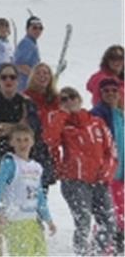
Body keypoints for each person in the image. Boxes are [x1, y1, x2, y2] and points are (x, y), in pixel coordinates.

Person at [55, 86, 119, 256]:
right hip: (74, 181)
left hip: (99, 180)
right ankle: (82, 254)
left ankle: (96, 253)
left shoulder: (97, 122)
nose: (69, 101)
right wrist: (61, 114)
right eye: (64, 99)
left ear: (80, 99)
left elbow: (111, 150)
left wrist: (106, 172)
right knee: (83, 222)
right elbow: (50, 141)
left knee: (109, 223)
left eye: (72, 96)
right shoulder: (62, 124)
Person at [0, 123, 57, 256]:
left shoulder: (36, 167)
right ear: (12, 142)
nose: (23, 144)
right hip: (15, 221)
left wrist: (48, 219)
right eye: (18, 140)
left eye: (26, 139)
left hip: (33, 221)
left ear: (32, 142)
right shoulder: (10, 163)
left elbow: (39, 197)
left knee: (40, 253)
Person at [91, 77, 125, 252]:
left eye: (114, 90)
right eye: (106, 91)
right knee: (109, 212)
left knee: (120, 211)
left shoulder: (119, 114)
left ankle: (115, 244)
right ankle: (104, 247)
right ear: (100, 93)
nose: (111, 93)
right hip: (107, 172)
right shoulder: (98, 113)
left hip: (120, 171)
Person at [24, 63, 65, 171]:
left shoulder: (57, 100)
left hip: (51, 151)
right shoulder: (26, 97)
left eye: (46, 73)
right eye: (38, 73)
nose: (42, 76)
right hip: (32, 148)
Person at [15, 16, 44, 92]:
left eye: (40, 28)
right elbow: (19, 65)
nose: (38, 30)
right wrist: (38, 77)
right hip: (25, 87)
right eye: (34, 28)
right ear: (27, 29)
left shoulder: (32, 43)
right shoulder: (26, 43)